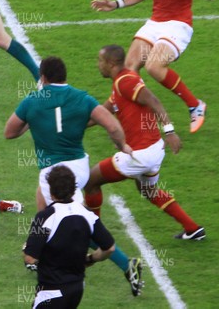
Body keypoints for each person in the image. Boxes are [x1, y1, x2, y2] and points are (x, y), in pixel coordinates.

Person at [4, 56, 142, 296]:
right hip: (79, 167)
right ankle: (34, 244)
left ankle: (125, 263)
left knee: (76, 224)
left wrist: (31, 122)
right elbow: (112, 125)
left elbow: (10, 132)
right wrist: (122, 146)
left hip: (53, 172)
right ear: (64, 76)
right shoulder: (82, 98)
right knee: (42, 201)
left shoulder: (33, 101)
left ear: (43, 78)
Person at [91, 0, 215, 133]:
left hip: (178, 26)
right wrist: (116, 3)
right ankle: (133, 118)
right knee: (128, 68)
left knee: (154, 66)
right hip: (155, 23)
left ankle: (195, 106)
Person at [85, 44, 205, 241]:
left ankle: (93, 234)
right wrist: (71, 126)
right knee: (148, 191)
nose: (98, 65)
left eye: (100, 61)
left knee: (91, 181)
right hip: (153, 151)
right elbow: (102, 113)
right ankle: (192, 228)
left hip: (139, 154)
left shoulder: (126, 82)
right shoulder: (120, 83)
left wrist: (170, 131)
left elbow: (154, 101)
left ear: (111, 63)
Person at [23, 165, 115, 308]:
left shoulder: (45, 217)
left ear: (51, 192)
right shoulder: (87, 214)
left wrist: (27, 249)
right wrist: (90, 259)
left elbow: (30, 258)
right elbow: (109, 248)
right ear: (73, 190)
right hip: (77, 289)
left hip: (51, 292)